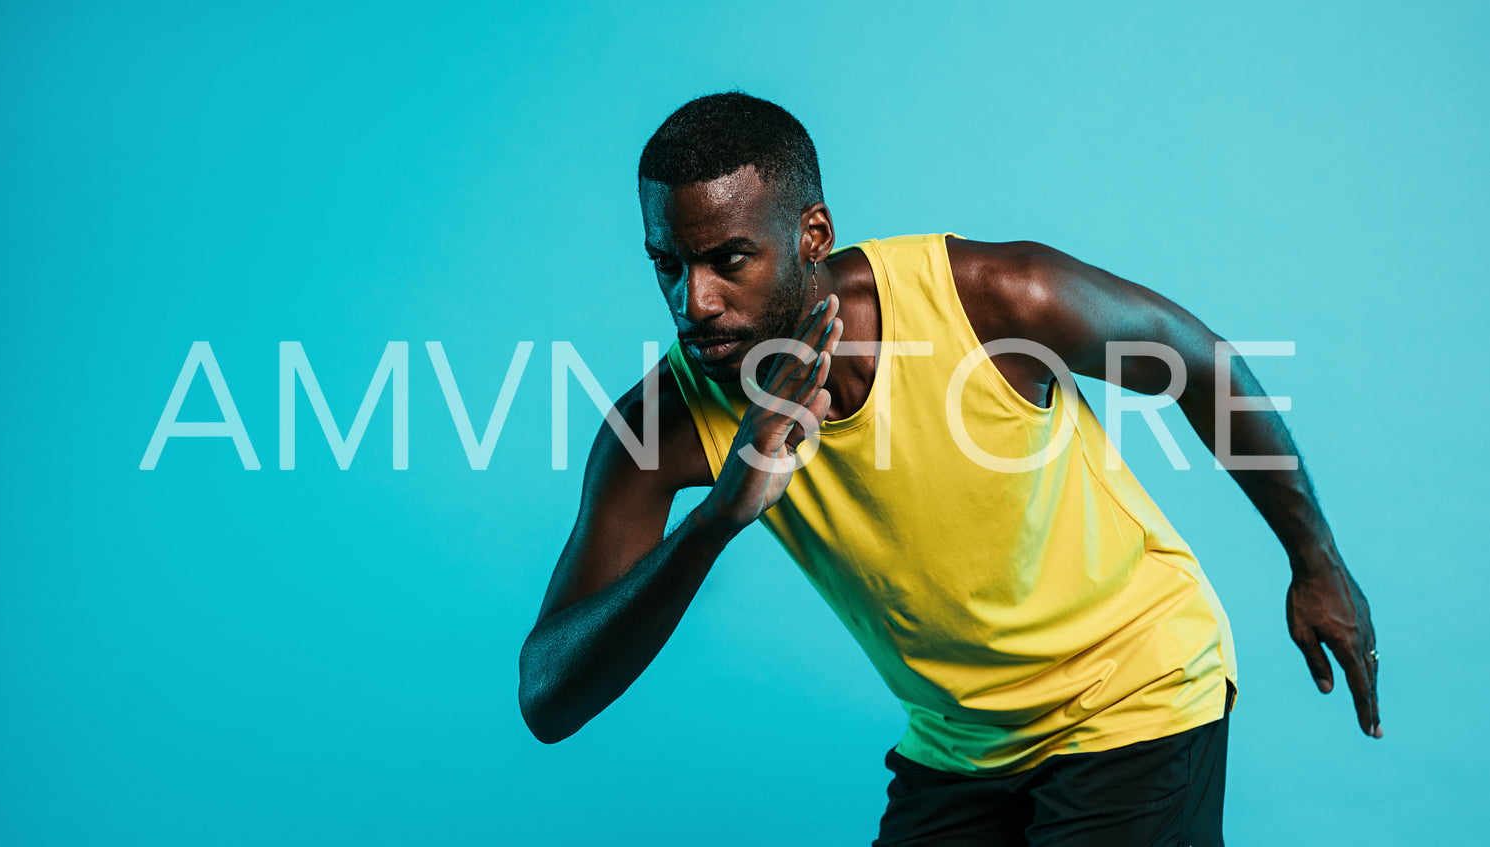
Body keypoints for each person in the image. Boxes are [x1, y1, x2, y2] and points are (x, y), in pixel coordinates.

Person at [517, 91, 1380, 846]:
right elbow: (548, 696)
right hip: (963, 743)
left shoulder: (992, 300)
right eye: (666, 265)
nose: (692, 301)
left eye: (728, 260)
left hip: (1134, 692)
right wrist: (716, 521)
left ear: (812, 233)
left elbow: (1200, 364)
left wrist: (1315, 562)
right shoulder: (663, 421)